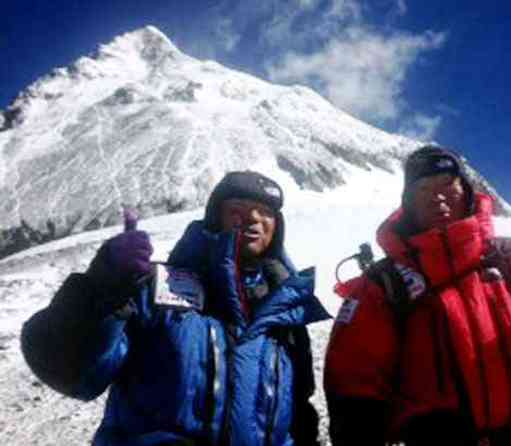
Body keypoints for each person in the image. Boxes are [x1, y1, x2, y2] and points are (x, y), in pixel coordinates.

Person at [324, 146, 511, 446]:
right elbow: (354, 387)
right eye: (423, 187)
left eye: (447, 184)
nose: (437, 196)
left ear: (465, 190)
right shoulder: (382, 285)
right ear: (408, 202)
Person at [21, 171, 330, 446]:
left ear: (277, 227)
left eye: (265, 212)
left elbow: (299, 413)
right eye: (237, 209)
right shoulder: (157, 289)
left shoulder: (286, 312)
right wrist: (102, 288)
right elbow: (74, 374)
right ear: (214, 217)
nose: (253, 218)